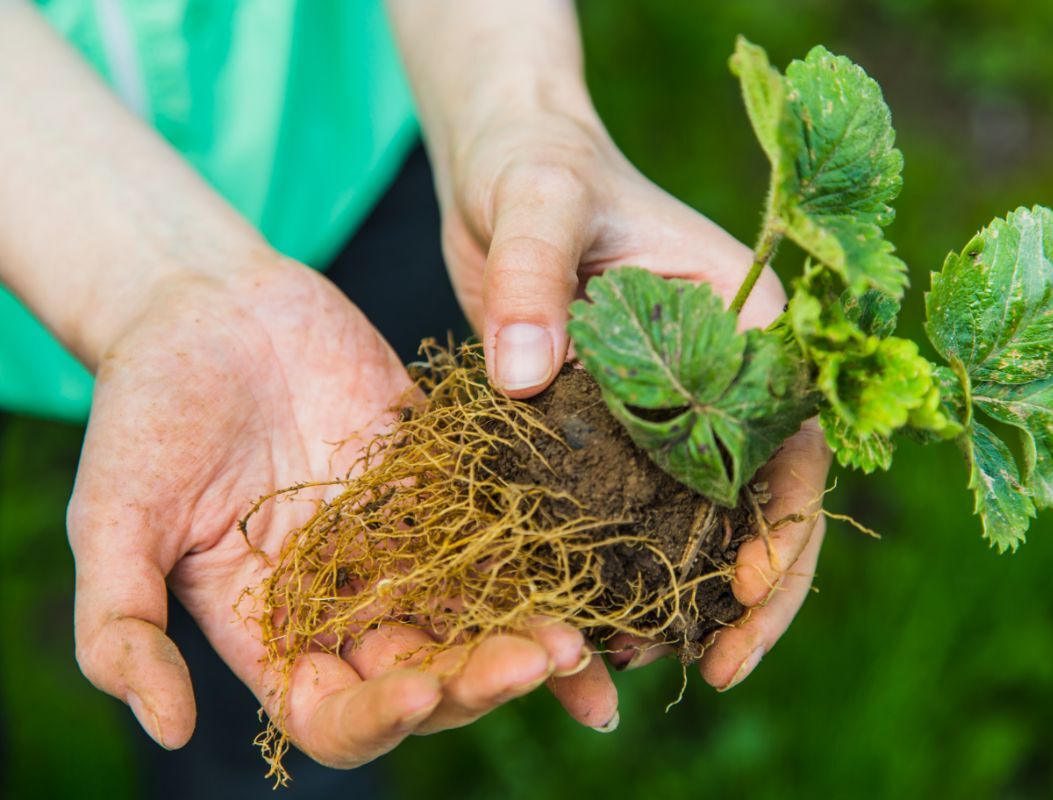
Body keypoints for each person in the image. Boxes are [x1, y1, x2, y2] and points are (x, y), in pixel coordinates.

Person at [0, 0, 831, 778]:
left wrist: (520, 108)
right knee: (262, 584)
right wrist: (143, 274)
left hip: (343, 130)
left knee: (322, 631)